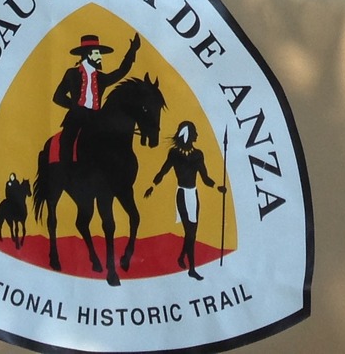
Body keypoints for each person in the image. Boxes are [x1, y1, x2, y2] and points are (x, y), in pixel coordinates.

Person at [145, 120, 224, 280]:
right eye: (193, 132)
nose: (196, 135)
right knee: (190, 232)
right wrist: (152, 185)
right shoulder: (175, 154)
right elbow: (164, 171)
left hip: (193, 195)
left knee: (192, 232)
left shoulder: (197, 155)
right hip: (181, 194)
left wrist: (217, 187)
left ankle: (181, 257)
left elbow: (205, 178)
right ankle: (192, 269)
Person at [52, 32, 142, 167]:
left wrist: (132, 51)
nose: (100, 57)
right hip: (76, 118)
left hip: (96, 118)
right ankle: (66, 172)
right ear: (88, 54)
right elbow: (57, 96)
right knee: (66, 141)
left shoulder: (101, 78)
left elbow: (121, 71)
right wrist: (76, 107)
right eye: (97, 53)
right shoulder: (72, 74)